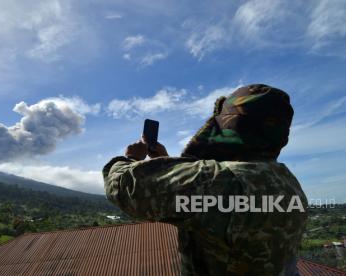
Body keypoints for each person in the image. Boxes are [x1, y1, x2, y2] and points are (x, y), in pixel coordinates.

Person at [103, 84, 308, 275]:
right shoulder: (288, 182)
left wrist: (131, 158)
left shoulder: (216, 180)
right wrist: (165, 162)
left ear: (230, 123)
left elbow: (124, 187)